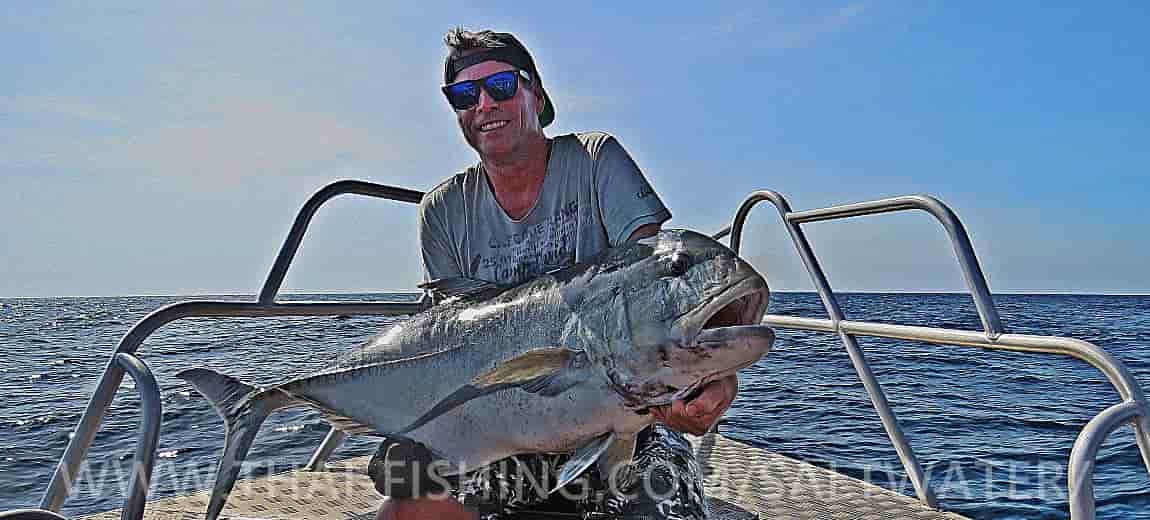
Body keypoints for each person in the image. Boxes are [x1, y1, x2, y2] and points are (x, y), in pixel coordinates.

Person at [371, 28, 739, 520]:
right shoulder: (442, 209)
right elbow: (448, 339)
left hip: (627, 422)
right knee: (405, 499)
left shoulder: (596, 160)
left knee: (658, 507)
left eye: (501, 85)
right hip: (505, 427)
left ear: (536, 95)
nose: (484, 103)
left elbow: (661, 288)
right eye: (464, 94)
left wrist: (710, 378)